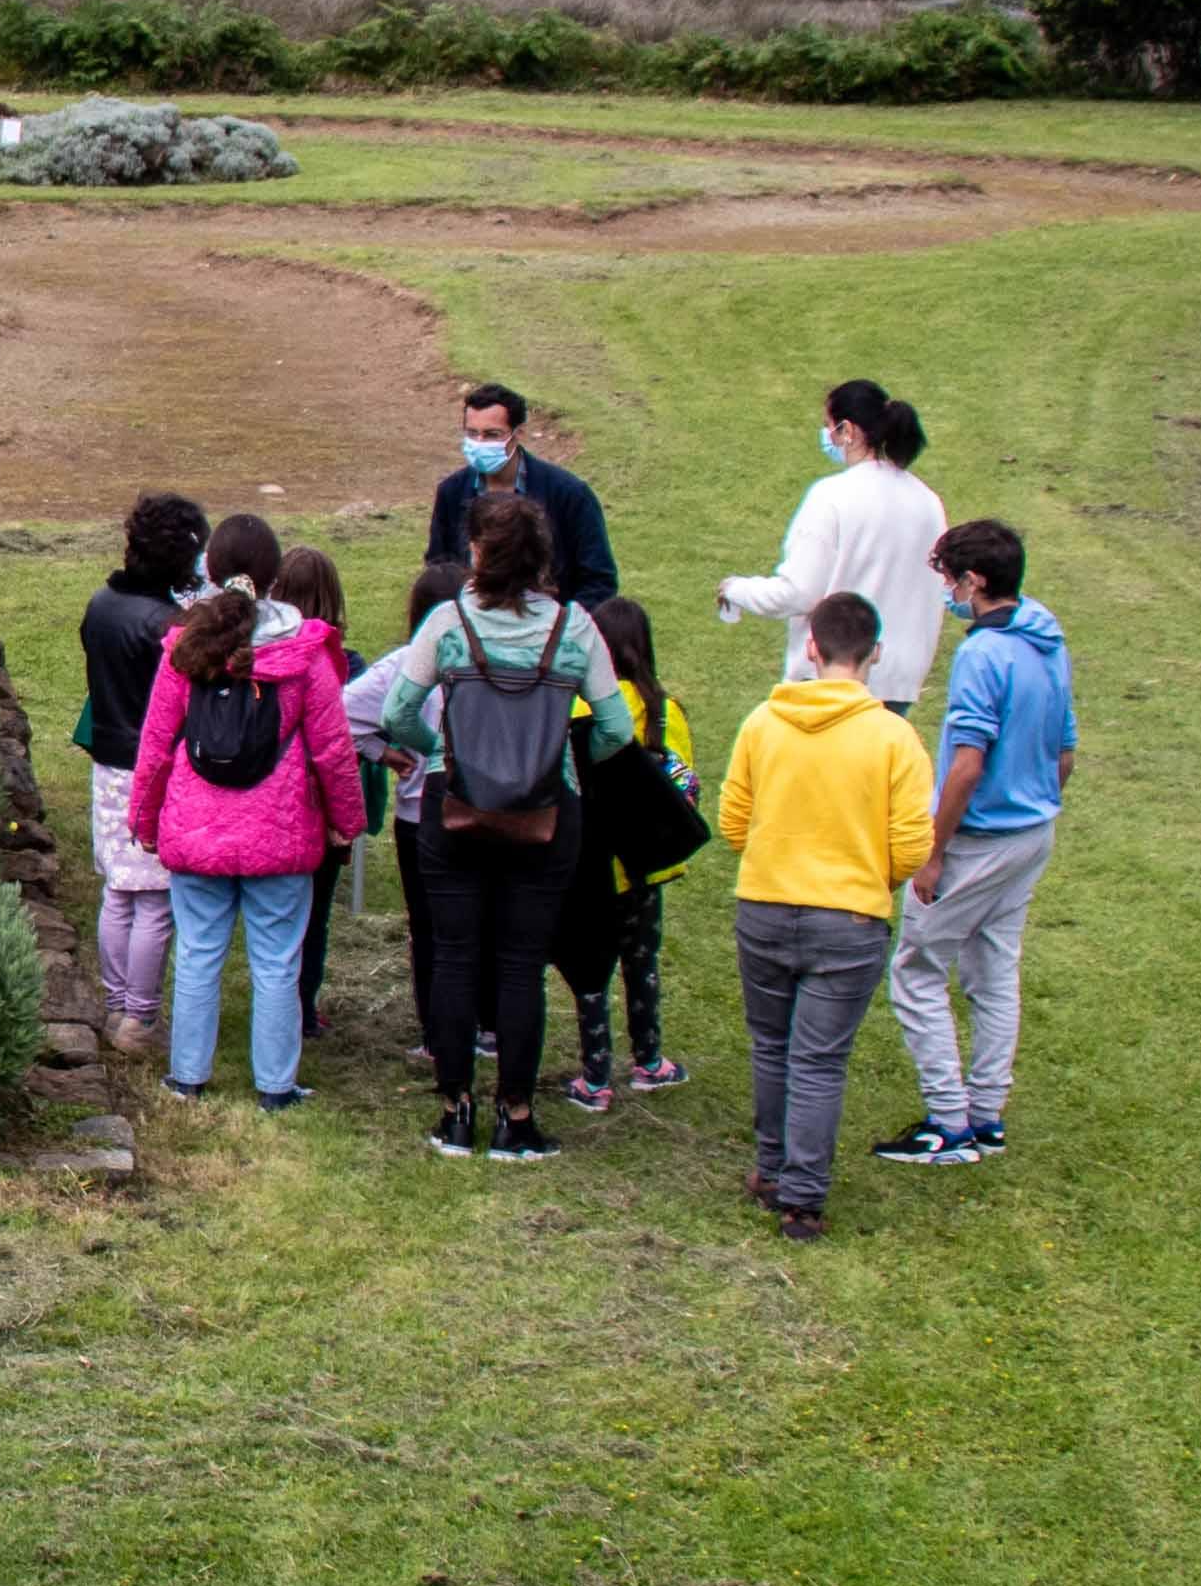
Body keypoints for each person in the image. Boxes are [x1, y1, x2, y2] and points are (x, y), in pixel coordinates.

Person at [377, 491, 637, 1163]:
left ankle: (454, 1110)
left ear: (478, 553)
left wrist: (433, 752)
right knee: (521, 964)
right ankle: (515, 1116)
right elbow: (614, 727)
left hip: (455, 805)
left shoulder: (449, 623)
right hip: (547, 814)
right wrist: (563, 766)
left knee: (457, 955)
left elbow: (400, 710)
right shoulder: (576, 629)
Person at [714, 588, 938, 1235]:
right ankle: (802, 1198)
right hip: (849, 919)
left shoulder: (763, 722)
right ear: (875, 655)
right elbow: (910, 845)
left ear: (810, 647)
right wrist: (870, 877)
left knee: (772, 1046)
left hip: (764, 904)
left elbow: (734, 822)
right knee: (818, 1060)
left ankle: (773, 1169)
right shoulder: (895, 738)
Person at [123, 544, 365, 1109]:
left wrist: (145, 818)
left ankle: (188, 1076)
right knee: (279, 960)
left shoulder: (185, 648)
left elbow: (157, 743)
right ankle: (276, 1085)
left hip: (196, 828)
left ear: (210, 569)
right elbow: (333, 750)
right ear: (273, 576)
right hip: (280, 834)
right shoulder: (306, 653)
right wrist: (347, 823)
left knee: (199, 952)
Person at [880, 518, 1075, 1167]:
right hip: (1033, 834)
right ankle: (987, 1116)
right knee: (994, 973)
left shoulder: (981, 656)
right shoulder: (1047, 635)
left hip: (981, 842)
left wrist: (933, 853)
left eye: (948, 578)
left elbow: (966, 764)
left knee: (916, 968)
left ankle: (948, 1125)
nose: (945, 590)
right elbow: (1065, 749)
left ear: (975, 582)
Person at [68, 492, 210, 1051]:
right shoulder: (167, 626)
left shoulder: (101, 604)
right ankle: (140, 1018)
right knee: (155, 899)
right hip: (155, 771)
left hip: (108, 764)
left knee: (118, 892)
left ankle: (113, 1004)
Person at [721, 379, 947, 705]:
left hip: (829, 681)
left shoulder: (831, 497)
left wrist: (736, 590)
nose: (826, 435)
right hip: (898, 684)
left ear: (847, 430)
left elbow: (798, 593)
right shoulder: (929, 504)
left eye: (828, 426)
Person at [557, 591, 699, 1110]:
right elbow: (685, 785)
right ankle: (650, 1059)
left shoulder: (575, 706)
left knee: (591, 966)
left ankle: (595, 1078)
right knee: (644, 961)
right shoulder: (664, 711)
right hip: (646, 866)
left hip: (592, 866)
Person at [421, 381, 618, 604]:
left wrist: (563, 629)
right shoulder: (451, 492)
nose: (480, 443)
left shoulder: (569, 495)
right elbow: (439, 572)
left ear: (519, 433)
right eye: (472, 433)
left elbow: (599, 581)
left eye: (492, 434)